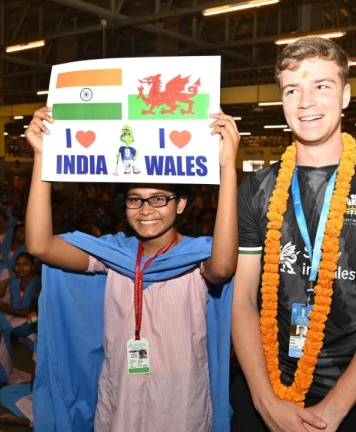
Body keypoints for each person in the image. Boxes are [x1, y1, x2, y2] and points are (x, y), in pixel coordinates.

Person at [232, 37, 356, 432]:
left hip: (351, 396)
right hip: (263, 386)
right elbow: (242, 297)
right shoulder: (257, 187)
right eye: (292, 90)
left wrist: (330, 414)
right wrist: (265, 402)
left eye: (321, 85)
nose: (305, 102)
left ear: (345, 95)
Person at [24, 103, 238, 431]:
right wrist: (42, 156)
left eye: (159, 198)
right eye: (135, 199)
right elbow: (41, 246)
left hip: (181, 403)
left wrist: (227, 169)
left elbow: (222, 268)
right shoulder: (113, 255)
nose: (145, 210)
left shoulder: (196, 258)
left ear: (181, 204)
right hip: (121, 396)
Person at [0, 252, 40, 339]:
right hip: (16, 317)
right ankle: (19, 337)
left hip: (34, 319)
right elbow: (12, 305)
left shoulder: (38, 283)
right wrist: (5, 307)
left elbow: (32, 313)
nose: (21, 268)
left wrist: (8, 309)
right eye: (18, 264)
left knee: (24, 327)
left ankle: (21, 336)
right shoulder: (15, 283)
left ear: (33, 266)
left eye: (25, 264)